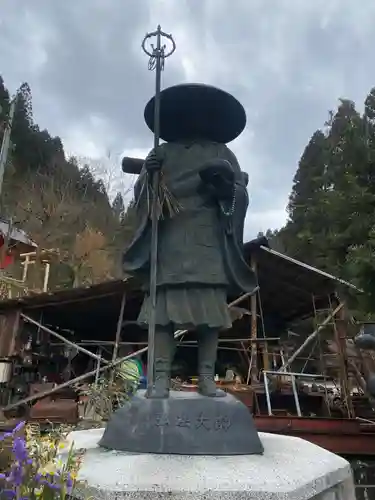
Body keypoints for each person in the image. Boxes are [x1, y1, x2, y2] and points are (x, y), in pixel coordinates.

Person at [123, 83, 258, 398]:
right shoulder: (163, 152)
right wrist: (149, 176)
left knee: (210, 316)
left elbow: (240, 194)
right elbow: (143, 199)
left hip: (207, 240)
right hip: (170, 240)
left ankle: (207, 378)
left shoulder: (223, 153)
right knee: (162, 316)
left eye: (202, 115)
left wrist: (226, 190)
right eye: (188, 114)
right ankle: (158, 380)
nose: (194, 119)